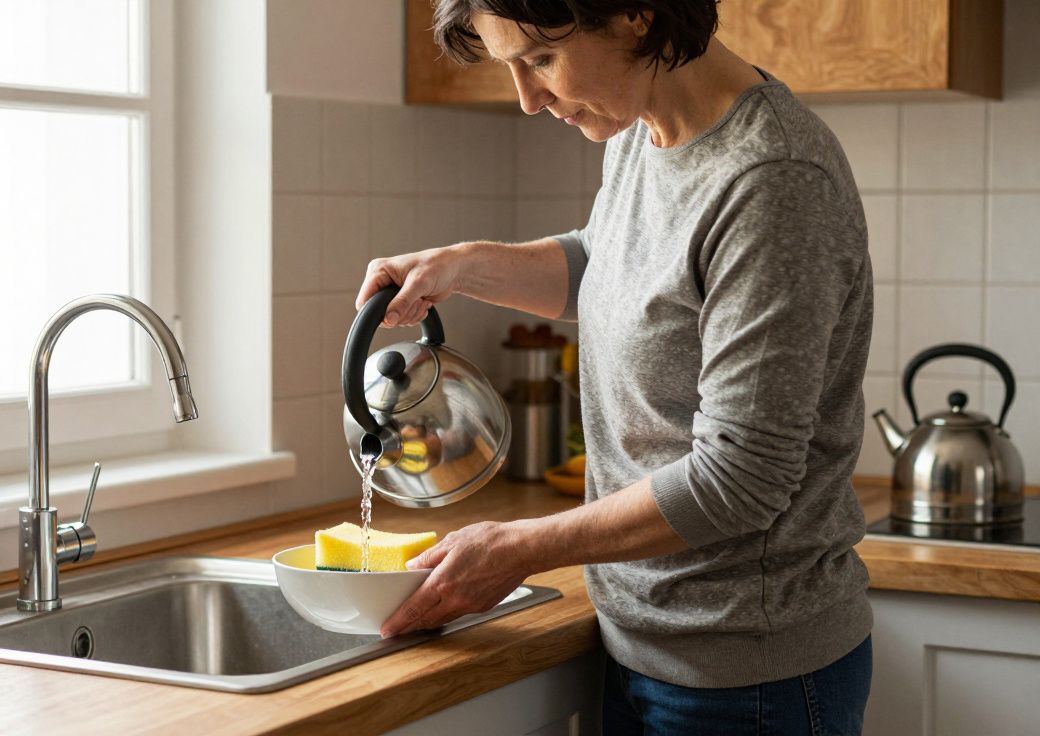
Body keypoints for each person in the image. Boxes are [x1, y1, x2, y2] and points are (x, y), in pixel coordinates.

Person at [358, 1, 875, 733]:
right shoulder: (641, 129)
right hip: (643, 642)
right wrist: (462, 266)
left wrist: (518, 547)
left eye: (539, 59)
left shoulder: (771, 178)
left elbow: (742, 479)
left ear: (635, 13)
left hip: (749, 675)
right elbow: (607, 268)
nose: (527, 99)